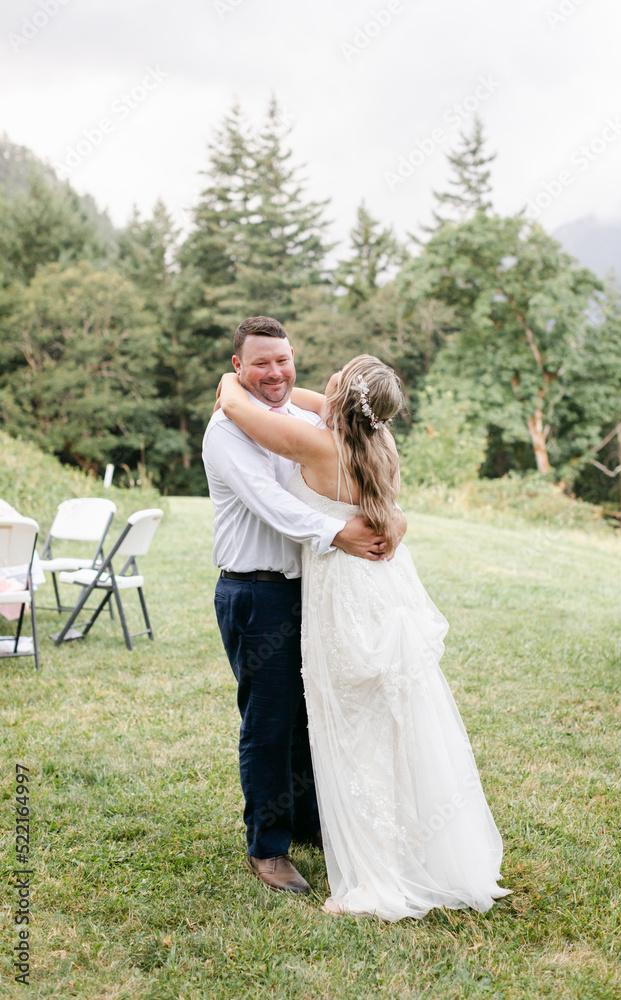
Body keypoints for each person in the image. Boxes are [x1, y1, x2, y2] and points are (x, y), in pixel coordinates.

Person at [217, 352, 511, 921]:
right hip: (382, 590)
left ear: (344, 392)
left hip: (342, 596)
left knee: (351, 725)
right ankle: (408, 840)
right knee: (390, 720)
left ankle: (373, 862)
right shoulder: (381, 443)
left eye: (338, 372)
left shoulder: (317, 446)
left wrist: (232, 377)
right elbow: (304, 400)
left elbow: (239, 408)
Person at [202, 316, 406, 896]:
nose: (275, 372)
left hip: (311, 590)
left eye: (282, 360)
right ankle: (268, 848)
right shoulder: (227, 430)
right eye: (259, 363)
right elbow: (270, 502)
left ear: (294, 358)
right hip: (256, 592)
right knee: (269, 723)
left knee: (308, 716)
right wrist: (338, 532)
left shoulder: (304, 418)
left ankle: (309, 820)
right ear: (238, 366)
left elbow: (350, 428)